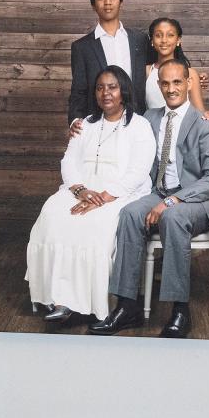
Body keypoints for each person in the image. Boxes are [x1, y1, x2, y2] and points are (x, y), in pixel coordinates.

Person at [88, 59, 209, 338]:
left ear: (189, 83)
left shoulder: (206, 123)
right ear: (158, 85)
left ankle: (180, 310)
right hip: (158, 191)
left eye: (178, 82)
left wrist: (173, 201)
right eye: (166, 83)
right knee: (131, 213)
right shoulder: (150, 119)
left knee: (172, 216)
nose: (171, 89)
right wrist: (80, 127)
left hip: (198, 202)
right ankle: (126, 306)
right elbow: (120, 138)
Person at [25, 66, 156, 322]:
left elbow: (138, 171)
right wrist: (81, 190)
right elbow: (68, 161)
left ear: (124, 91)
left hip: (120, 193)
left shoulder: (139, 126)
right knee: (53, 214)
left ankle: (84, 302)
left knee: (95, 225)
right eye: (100, 87)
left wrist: (104, 197)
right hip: (82, 190)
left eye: (112, 87)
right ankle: (56, 299)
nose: (105, 93)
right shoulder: (84, 124)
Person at [67, 0, 149, 126]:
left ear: (121, 2)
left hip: (139, 119)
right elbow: (78, 91)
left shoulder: (140, 39)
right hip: (100, 122)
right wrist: (75, 120)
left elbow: (162, 67)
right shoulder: (82, 47)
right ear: (93, 5)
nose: (107, 3)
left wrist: (194, 77)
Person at [145, 17, 209, 113]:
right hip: (152, 126)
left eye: (170, 35)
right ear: (152, 40)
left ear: (178, 40)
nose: (164, 40)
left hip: (183, 127)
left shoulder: (190, 74)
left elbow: (199, 111)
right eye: (158, 35)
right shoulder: (146, 71)